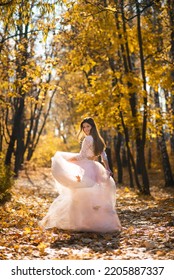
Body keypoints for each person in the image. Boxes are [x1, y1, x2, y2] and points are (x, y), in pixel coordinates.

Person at [39, 117, 121, 232]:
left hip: (86, 167)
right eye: (84, 127)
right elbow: (103, 156)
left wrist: (67, 160)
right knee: (93, 196)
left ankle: (79, 223)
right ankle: (94, 223)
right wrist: (107, 168)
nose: (86, 129)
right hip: (95, 167)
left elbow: (82, 156)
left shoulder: (88, 139)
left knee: (78, 195)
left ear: (92, 126)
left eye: (88, 126)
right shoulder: (99, 139)